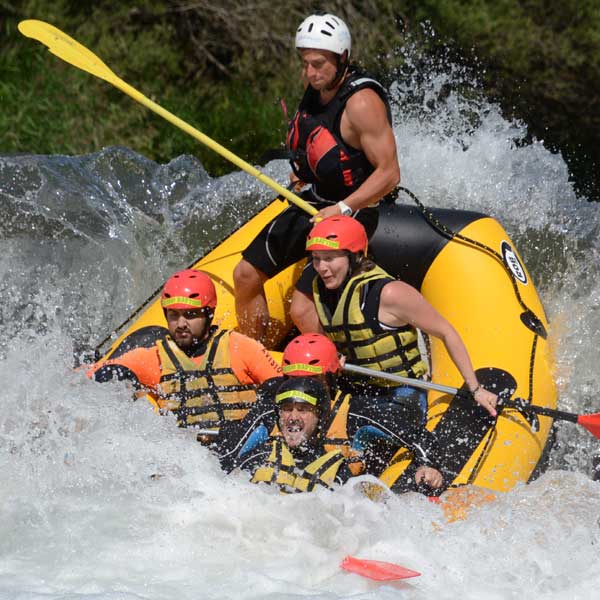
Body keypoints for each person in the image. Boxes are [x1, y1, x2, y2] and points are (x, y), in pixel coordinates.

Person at [233, 13, 400, 343]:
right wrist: (302, 173)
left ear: (342, 58)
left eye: (319, 64)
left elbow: (389, 173)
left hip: (359, 209)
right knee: (245, 275)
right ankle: (258, 361)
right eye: (305, 63)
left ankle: (326, 377)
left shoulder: (362, 103)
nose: (310, 73)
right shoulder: (316, 86)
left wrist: (342, 209)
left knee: (302, 310)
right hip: (317, 202)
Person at [304, 216, 499, 418]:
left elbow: (446, 332)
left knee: (366, 431)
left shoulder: (389, 294)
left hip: (402, 392)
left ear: (354, 256)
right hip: (357, 390)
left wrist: (475, 389)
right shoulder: (324, 290)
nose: (321, 267)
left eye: (329, 258)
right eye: (316, 259)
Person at [218, 333, 445, 492]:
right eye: (293, 380)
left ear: (331, 378)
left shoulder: (355, 412)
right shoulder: (271, 409)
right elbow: (229, 455)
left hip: (338, 501)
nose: (302, 388)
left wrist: (426, 464)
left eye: (312, 380)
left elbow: (419, 437)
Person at [87, 269, 282, 439]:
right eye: (174, 315)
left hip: (241, 448)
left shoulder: (241, 347)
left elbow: (285, 389)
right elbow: (91, 377)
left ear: (209, 314)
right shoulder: (152, 357)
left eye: (190, 315)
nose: (181, 324)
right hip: (188, 460)